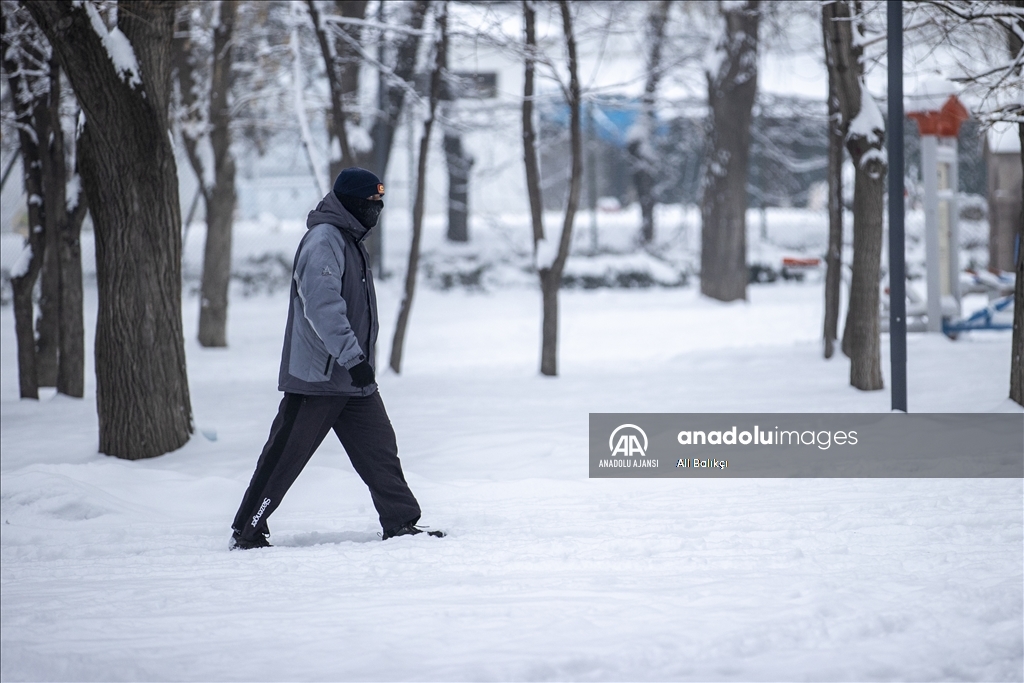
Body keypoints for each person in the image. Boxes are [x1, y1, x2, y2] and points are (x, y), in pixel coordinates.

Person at [229, 167, 443, 550]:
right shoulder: (324, 240)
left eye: (381, 201)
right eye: (371, 201)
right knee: (284, 457)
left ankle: (401, 523)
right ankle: (247, 530)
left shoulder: (349, 240)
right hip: (319, 378)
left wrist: (357, 364)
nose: (377, 208)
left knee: (380, 450)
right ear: (351, 202)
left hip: (353, 377)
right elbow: (323, 306)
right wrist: (352, 357)